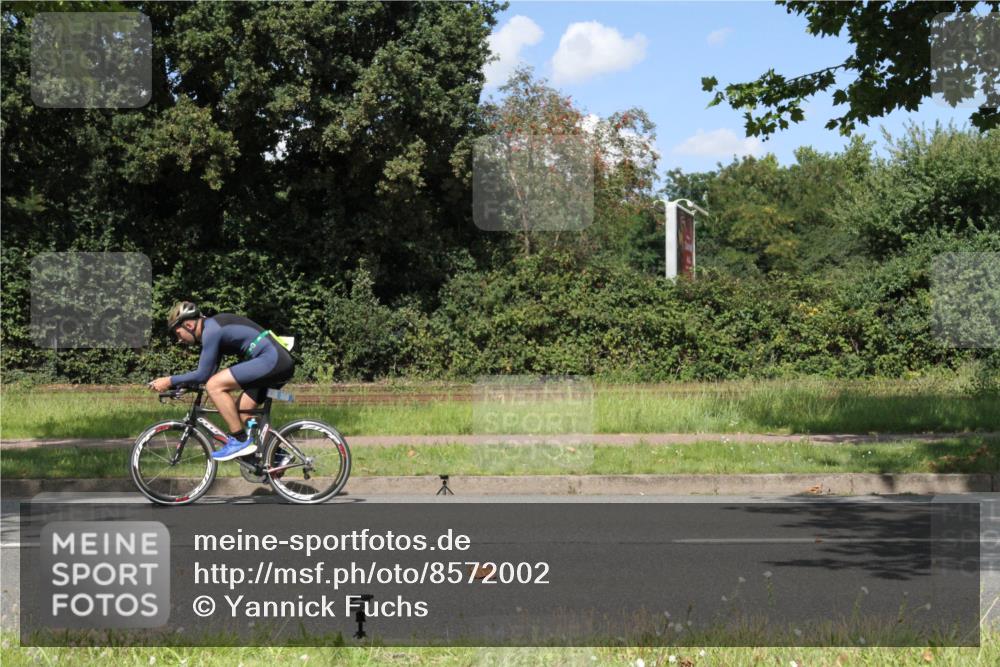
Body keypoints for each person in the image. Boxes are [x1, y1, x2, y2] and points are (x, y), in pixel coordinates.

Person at [148, 301, 295, 461]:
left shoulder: (212, 331)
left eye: (178, 334)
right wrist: (184, 385)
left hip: (271, 360)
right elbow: (208, 372)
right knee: (244, 410)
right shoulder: (213, 328)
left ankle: (238, 442)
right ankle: (278, 456)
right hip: (276, 361)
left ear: (189, 325)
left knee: (214, 386)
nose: (179, 340)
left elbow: (204, 376)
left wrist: (169, 380)